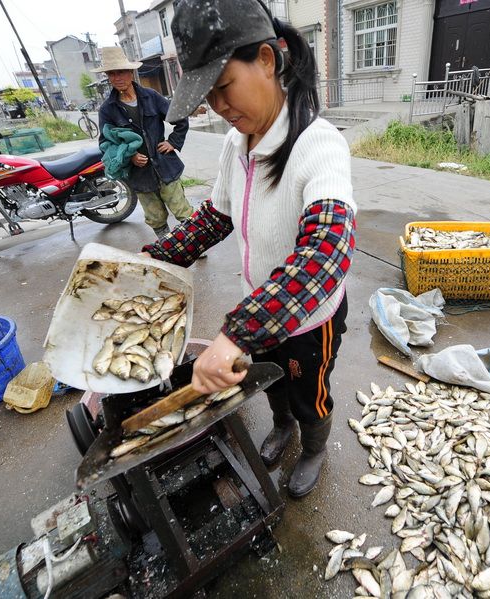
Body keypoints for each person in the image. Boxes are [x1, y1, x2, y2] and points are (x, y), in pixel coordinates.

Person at [141, 0, 356, 497]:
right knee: (269, 383)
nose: (218, 107)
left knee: (309, 393)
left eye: (222, 88)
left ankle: (314, 444)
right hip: (259, 308)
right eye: (207, 97)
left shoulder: (319, 145)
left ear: (265, 59)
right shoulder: (235, 146)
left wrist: (235, 333)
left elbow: (327, 251)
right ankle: (281, 427)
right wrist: (158, 256)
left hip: (308, 321)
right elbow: (217, 215)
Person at [94, 47, 194, 239]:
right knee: (155, 217)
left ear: (131, 72)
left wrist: (173, 141)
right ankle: (167, 246)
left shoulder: (151, 96)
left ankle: (195, 244)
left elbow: (180, 118)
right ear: (108, 77)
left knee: (182, 210)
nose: (117, 77)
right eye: (112, 74)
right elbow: (105, 143)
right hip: (139, 175)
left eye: (121, 72)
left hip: (165, 166)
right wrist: (129, 156)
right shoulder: (107, 109)